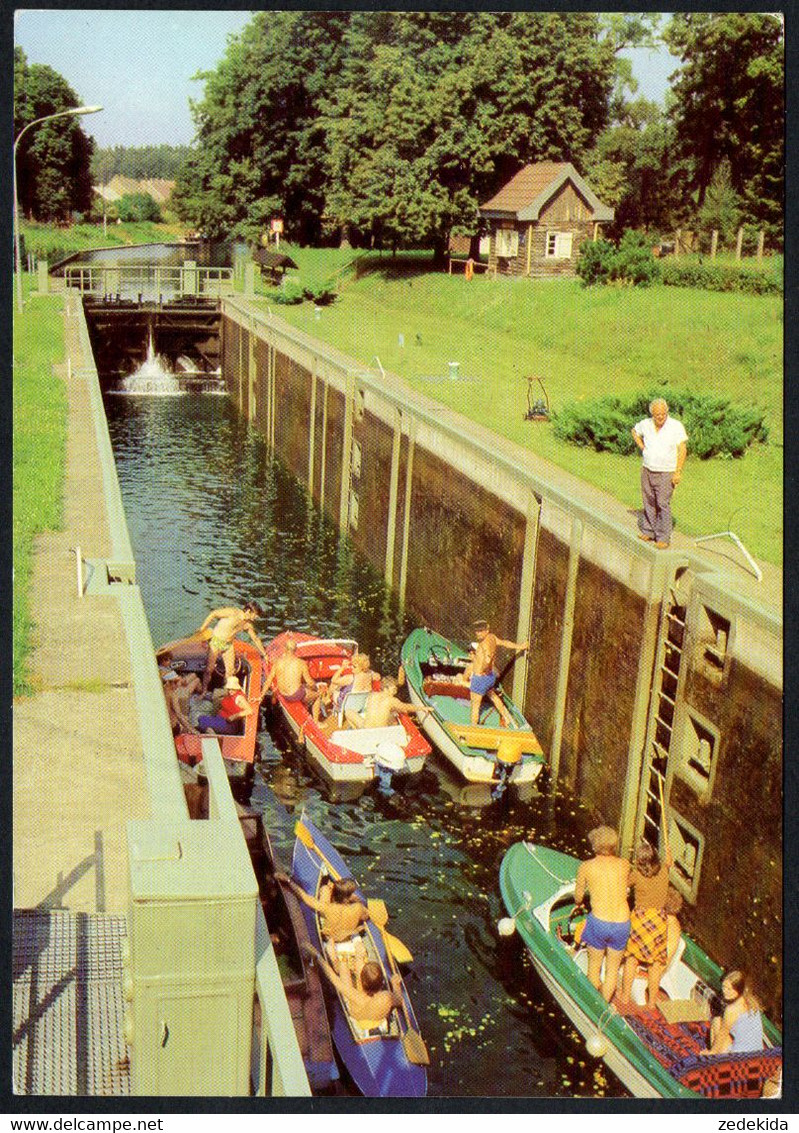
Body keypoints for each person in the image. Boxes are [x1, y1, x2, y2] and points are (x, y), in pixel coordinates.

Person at [573, 825, 631, 1003]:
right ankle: (604, 1004)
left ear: (594, 846)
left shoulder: (586, 867)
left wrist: (578, 903)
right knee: (612, 970)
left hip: (599, 922)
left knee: (594, 967)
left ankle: (593, 1005)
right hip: (622, 923)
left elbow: (578, 896)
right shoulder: (624, 864)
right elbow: (625, 887)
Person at [619, 838, 675, 1008]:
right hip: (658, 920)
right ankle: (651, 1003)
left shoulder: (636, 875)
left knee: (632, 959)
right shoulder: (665, 870)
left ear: (639, 861)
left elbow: (623, 885)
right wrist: (668, 852)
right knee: (655, 964)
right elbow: (669, 862)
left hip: (640, 920)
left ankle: (625, 997)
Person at [302, 943, 404, 1030]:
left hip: (358, 1017)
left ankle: (343, 960)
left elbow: (333, 978)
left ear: (361, 981)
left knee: (343, 964)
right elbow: (399, 1001)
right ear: (381, 983)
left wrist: (317, 955)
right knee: (359, 964)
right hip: (375, 1019)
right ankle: (358, 954)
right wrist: (395, 984)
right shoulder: (386, 998)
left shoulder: (355, 996)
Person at [631, 398, 688, 549]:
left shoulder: (676, 426)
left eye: (663, 414)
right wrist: (642, 447)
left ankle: (663, 537)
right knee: (649, 500)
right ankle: (649, 531)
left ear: (667, 412)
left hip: (666, 471)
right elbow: (634, 431)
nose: (661, 417)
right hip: (648, 468)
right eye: (657, 415)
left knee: (662, 503)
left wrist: (678, 472)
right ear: (652, 414)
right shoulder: (646, 424)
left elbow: (682, 449)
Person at [276, 874, 371, 943]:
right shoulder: (358, 908)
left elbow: (304, 897)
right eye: (352, 893)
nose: (355, 894)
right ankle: (327, 888)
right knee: (326, 890)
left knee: (325, 889)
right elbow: (366, 916)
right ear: (346, 898)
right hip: (347, 938)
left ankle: (325, 887)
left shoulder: (326, 908)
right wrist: (357, 901)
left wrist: (288, 880)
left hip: (330, 938)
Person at [198, 600, 267, 694]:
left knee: (230, 672)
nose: (256, 618)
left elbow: (255, 639)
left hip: (228, 645)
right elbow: (213, 614)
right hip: (215, 642)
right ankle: (204, 691)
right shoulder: (233, 612)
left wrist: (264, 654)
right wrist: (203, 629)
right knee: (209, 670)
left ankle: (225, 692)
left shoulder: (247, 624)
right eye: (255, 615)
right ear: (248, 611)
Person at [470, 620, 528, 726]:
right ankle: (505, 717)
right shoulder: (492, 637)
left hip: (480, 678)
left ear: (486, 630)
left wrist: (483, 671)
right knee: (492, 695)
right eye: (477, 631)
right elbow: (505, 643)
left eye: (480, 631)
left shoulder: (484, 644)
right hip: (490, 677)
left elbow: (488, 659)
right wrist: (521, 646)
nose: (477, 633)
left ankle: (473, 728)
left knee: (475, 704)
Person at [699, 970, 765, 1056]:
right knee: (720, 1022)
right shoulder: (752, 1002)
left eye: (729, 989)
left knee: (716, 1021)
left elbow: (722, 1035)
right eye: (723, 987)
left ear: (738, 990)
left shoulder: (732, 1009)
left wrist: (711, 1052)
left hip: (739, 1058)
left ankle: (715, 1058)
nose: (725, 991)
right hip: (757, 1054)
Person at [347, 677, 432, 730]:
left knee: (348, 712)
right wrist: (422, 708)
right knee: (393, 718)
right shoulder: (392, 700)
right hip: (380, 731)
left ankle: (357, 732)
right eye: (393, 689)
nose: (395, 692)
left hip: (366, 729)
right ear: (386, 688)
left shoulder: (372, 695)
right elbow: (406, 707)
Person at [265, 636, 320, 708]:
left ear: (285, 649)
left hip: (283, 693)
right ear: (295, 650)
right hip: (295, 695)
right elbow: (309, 682)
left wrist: (261, 695)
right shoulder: (301, 663)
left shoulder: (277, 662)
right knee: (318, 695)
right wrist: (317, 688)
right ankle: (316, 719)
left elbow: (268, 680)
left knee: (304, 687)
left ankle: (305, 705)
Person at [161, 668, 198, 735]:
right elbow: (179, 715)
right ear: (168, 682)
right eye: (175, 683)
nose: (177, 686)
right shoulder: (172, 695)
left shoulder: (161, 692)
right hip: (172, 729)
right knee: (187, 720)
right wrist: (194, 731)